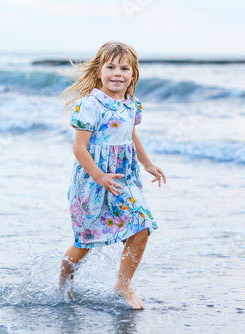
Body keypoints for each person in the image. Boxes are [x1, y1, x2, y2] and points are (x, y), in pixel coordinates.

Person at [58, 41, 166, 310]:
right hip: (92, 181)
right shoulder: (90, 105)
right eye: (110, 67)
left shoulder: (132, 105)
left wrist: (147, 163)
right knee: (86, 241)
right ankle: (62, 284)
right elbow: (79, 147)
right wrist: (99, 176)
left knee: (142, 226)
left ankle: (123, 284)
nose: (117, 73)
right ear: (99, 72)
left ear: (133, 74)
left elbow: (130, 134)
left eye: (124, 68)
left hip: (122, 179)